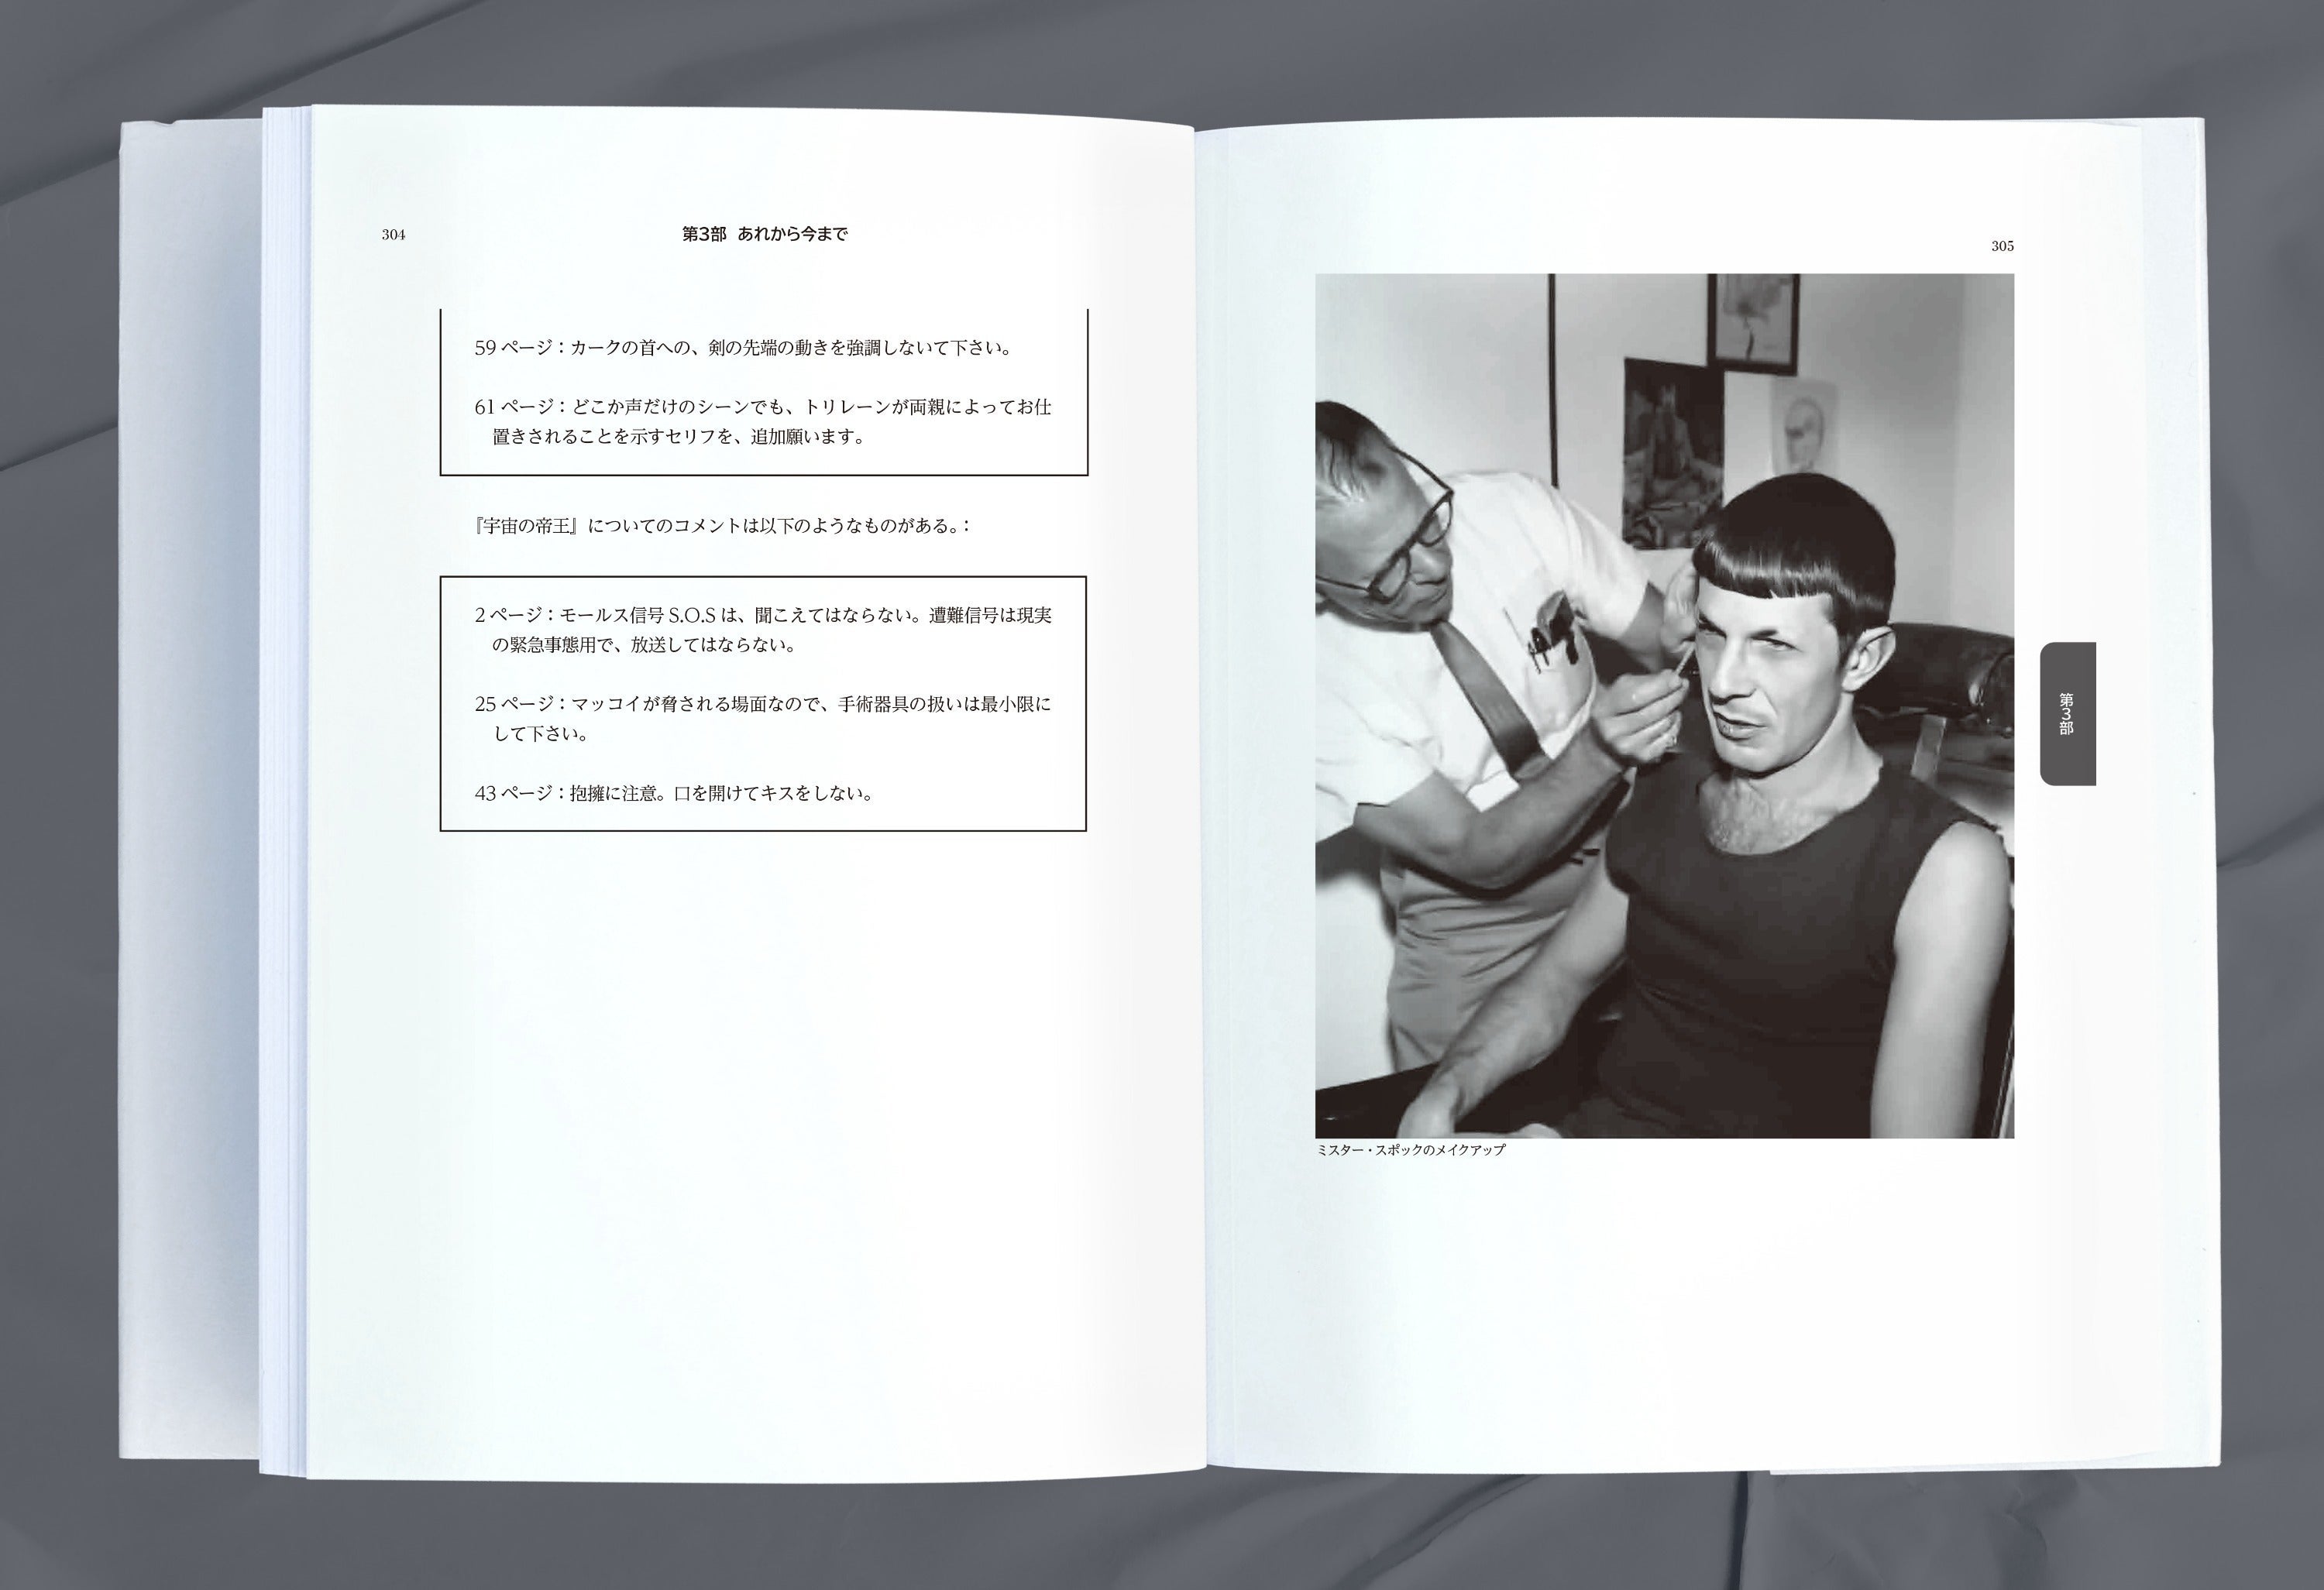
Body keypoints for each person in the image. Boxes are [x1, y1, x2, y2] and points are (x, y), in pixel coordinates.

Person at [1398, 472, 2013, 1138]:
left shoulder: (1947, 866)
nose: (1722, 682)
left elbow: (1912, 1182)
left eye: (1772, 645)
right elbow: (1552, 983)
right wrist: (1444, 1096)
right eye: (1713, 634)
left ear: (1862, 659)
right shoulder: (1667, 780)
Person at [1315, 400, 1692, 1072]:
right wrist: (1602, 750)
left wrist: (1708, 625)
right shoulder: (1307, 680)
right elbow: (1478, 853)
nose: (1432, 567)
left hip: (1628, 835)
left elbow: (1666, 643)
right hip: (1475, 909)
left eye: (1426, 522)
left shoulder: (1514, 508)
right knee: (1447, 1100)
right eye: (1387, 575)